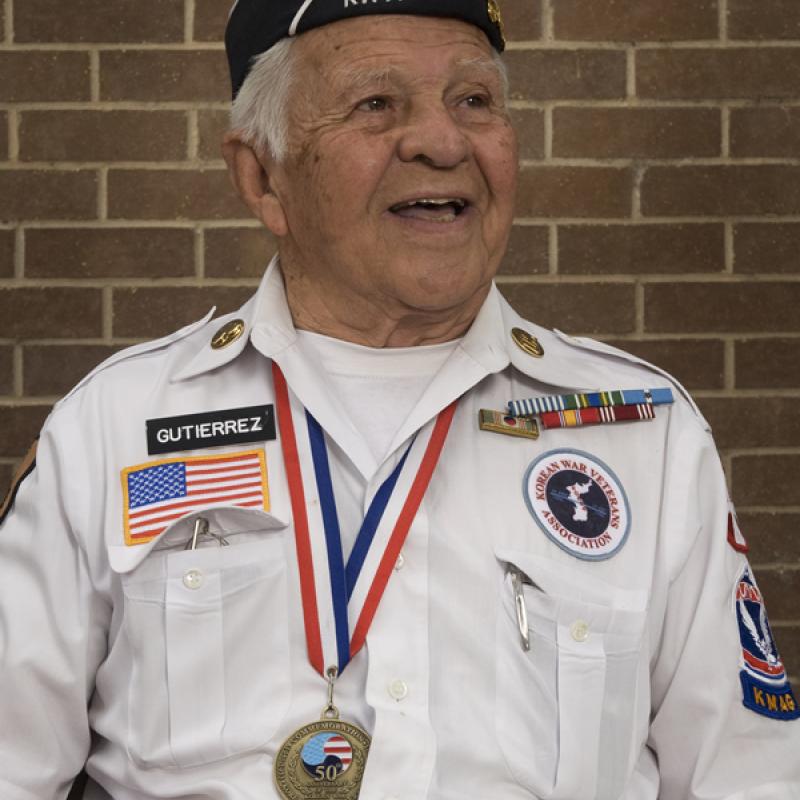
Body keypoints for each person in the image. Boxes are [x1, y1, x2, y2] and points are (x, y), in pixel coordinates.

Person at [1, 2, 798, 798]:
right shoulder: (113, 430)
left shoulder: (643, 431)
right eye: (376, 104)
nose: (443, 142)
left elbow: (746, 775)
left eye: (474, 101)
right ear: (263, 175)